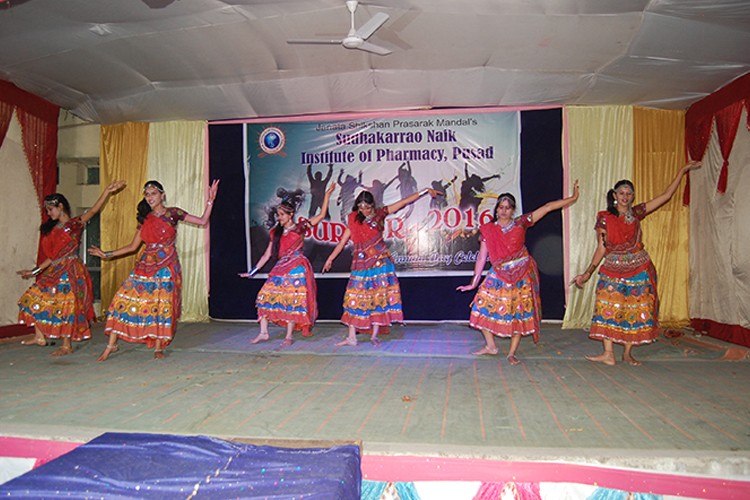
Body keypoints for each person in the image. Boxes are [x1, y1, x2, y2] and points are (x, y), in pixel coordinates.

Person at [572, 161, 701, 366]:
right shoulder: (604, 217)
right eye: (621, 192)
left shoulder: (637, 212)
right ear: (614, 195)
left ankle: (627, 353)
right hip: (613, 267)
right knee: (608, 306)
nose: (625, 196)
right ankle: (608, 353)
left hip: (638, 267)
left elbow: (666, 196)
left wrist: (682, 171)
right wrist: (587, 273)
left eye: (629, 193)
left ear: (632, 197)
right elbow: (602, 247)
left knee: (633, 309)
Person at [90, 179, 219, 361]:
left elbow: (202, 221)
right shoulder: (145, 219)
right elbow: (132, 247)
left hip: (167, 266)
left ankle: (158, 347)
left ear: (162, 195)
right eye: (147, 194)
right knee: (123, 300)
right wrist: (106, 254)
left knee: (161, 306)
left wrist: (210, 200)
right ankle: (110, 346)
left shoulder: (173, 213)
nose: (149, 197)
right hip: (145, 265)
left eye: (153, 193)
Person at [457, 182, 579, 364]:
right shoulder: (488, 230)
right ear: (496, 209)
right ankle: (491, 346)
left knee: (518, 313)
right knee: (480, 307)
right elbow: (482, 257)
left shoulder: (521, 223)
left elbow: (547, 207)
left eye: (508, 208)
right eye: (501, 207)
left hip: (521, 273)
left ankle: (511, 353)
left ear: (513, 210)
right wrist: (474, 282)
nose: (504, 211)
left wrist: (573, 198)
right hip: (499, 273)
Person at [17, 180, 126, 356]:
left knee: (66, 306)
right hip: (55, 269)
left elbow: (93, 211)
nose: (48, 213)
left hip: (70, 270)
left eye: (50, 209)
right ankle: (39, 336)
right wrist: (34, 271)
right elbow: (52, 257)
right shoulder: (53, 229)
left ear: (60, 207)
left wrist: (107, 191)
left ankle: (66, 345)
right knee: (31, 298)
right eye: (46, 210)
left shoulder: (74, 224)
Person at [323, 186, 442, 347]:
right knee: (353, 297)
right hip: (360, 264)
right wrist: (330, 258)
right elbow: (344, 239)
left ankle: (374, 335)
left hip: (380, 263)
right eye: (361, 207)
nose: (364, 210)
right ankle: (351, 337)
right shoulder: (353, 218)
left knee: (378, 297)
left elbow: (404, 202)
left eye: (367, 207)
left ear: (373, 206)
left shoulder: (380, 213)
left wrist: (425, 191)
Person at [242, 183, 335, 347]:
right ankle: (264, 333)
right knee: (264, 296)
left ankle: (289, 336)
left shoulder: (300, 228)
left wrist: (326, 196)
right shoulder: (275, 232)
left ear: (291, 214)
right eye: (278, 215)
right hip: (280, 268)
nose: (279, 217)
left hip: (296, 268)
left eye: (282, 215)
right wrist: (253, 271)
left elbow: (320, 216)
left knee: (292, 301)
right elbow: (267, 254)